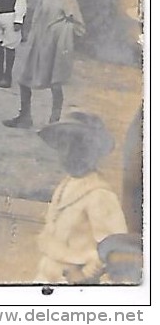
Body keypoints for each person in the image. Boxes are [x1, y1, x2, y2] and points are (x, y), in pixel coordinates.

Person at [35, 112, 128, 283]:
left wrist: (85, 274)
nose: (68, 152)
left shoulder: (99, 194)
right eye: (63, 145)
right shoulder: (65, 185)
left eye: (77, 146)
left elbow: (114, 248)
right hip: (48, 276)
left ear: (91, 152)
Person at [6, 0, 85, 128]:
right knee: (24, 79)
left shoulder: (68, 0)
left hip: (55, 47)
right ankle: (25, 116)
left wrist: (64, 28)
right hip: (39, 44)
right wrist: (31, 37)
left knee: (55, 83)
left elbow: (79, 28)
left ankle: (54, 121)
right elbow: (36, 20)